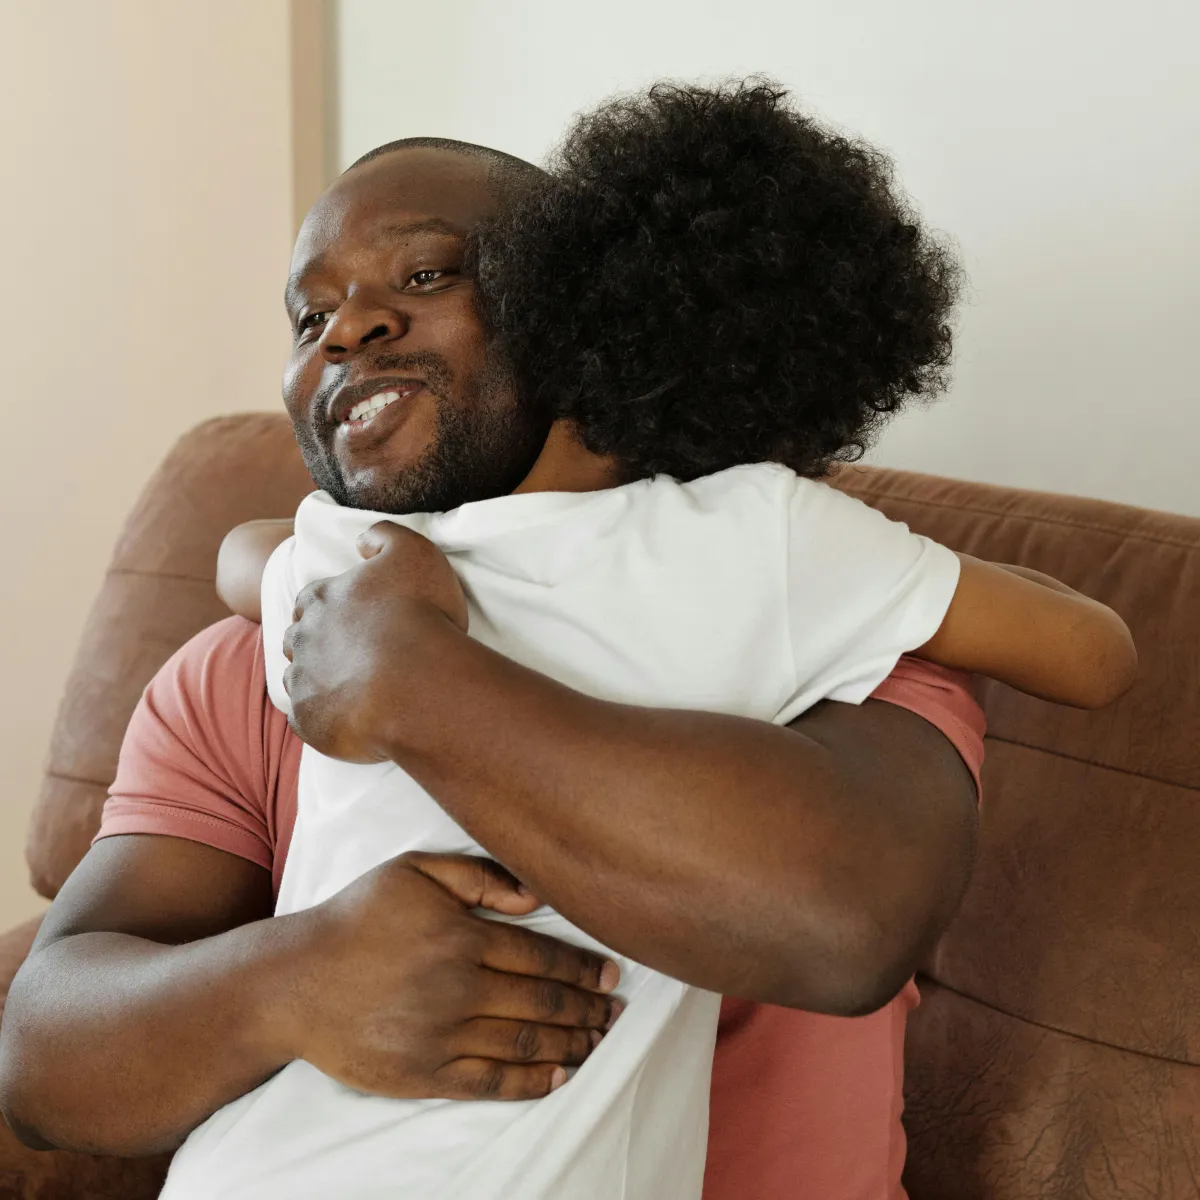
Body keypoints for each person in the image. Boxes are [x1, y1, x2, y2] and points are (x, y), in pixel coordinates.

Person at [2, 100, 1005, 1200]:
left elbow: (846, 929)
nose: (344, 330)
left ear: (586, 326)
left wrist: (418, 683)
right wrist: (291, 984)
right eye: (306, 316)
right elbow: (42, 1065)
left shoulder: (821, 623)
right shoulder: (247, 670)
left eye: (427, 274)